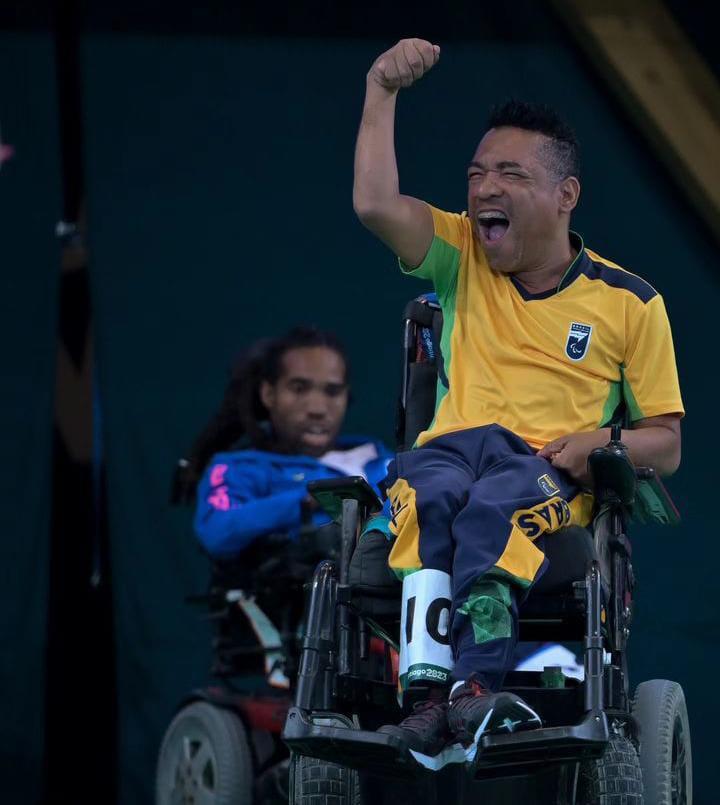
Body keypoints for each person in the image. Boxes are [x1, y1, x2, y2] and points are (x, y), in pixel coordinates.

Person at [353, 38, 683, 761]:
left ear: (566, 194)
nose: (483, 189)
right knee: (431, 489)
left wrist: (598, 444)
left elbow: (666, 440)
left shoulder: (631, 303)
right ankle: (426, 695)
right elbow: (375, 202)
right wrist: (382, 89)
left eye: (509, 173)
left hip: (545, 472)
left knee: (493, 501)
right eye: (476, 173)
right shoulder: (459, 250)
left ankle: (472, 690)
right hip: (449, 453)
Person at [189, 326, 391, 559]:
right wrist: (313, 499)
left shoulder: (380, 458)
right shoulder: (239, 468)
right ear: (269, 394)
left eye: (332, 391)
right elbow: (217, 530)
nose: (317, 409)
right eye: (299, 389)